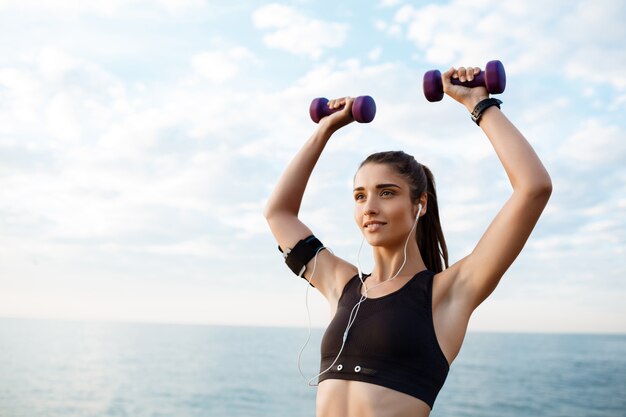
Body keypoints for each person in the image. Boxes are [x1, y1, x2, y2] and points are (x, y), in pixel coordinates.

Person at [263, 65, 552, 417]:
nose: (369, 207)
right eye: (359, 195)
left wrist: (479, 104)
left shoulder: (448, 293)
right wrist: (326, 128)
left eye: (386, 193)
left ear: (420, 203)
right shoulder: (343, 286)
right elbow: (279, 214)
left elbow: (533, 188)